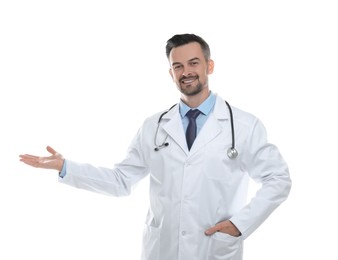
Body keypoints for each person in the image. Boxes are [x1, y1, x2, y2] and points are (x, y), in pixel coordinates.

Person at [19, 33, 292, 260]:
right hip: (161, 250)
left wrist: (239, 225)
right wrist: (66, 167)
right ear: (171, 72)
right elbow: (121, 181)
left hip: (214, 249)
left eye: (193, 63)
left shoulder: (243, 126)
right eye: (178, 66)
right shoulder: (153, 126)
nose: (186, 72)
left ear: (209, 66)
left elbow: (278, 179)